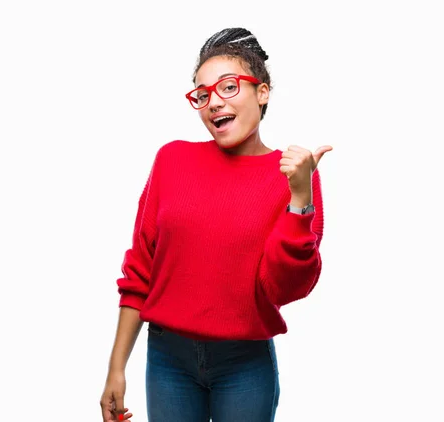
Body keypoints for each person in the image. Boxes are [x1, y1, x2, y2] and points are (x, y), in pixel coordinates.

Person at [100, 27, 332, 422]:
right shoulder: (172, 161)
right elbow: (140, 268)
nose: (212, 102)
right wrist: (116, 368)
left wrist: (298, 201)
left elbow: (285, 288)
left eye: (228, 87)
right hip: (167, 360)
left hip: (245, 364)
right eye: (202, 94)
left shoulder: (294, 177)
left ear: (262, 92)